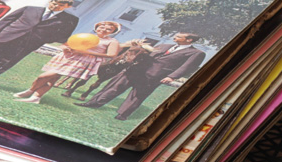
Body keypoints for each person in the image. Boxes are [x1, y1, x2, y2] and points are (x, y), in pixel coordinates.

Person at [76, 32, 205, 120]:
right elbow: (145, 55)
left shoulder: (196, 53)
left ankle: (122, 115)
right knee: (113, 87)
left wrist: (172, 76)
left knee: (138, 95)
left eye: (179, 36)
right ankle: (93, 103)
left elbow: (188, 66)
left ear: (189, 40)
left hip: (154, 76)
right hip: (135, 70)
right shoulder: (164, 45)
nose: (175, 37)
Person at [12, 21, 121, 104]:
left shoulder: (112, 41)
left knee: (44, 76)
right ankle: (36, 97)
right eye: (102, 26)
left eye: (109, 29)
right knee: (52, 79)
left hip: (82, 62)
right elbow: (65, 44)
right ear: (97, 27)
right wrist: (65, 48)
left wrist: (85, 52)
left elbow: (112, 55)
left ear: (112, 32)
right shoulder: (85, 35)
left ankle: (30, 91)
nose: (104, 29)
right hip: (67, 57)